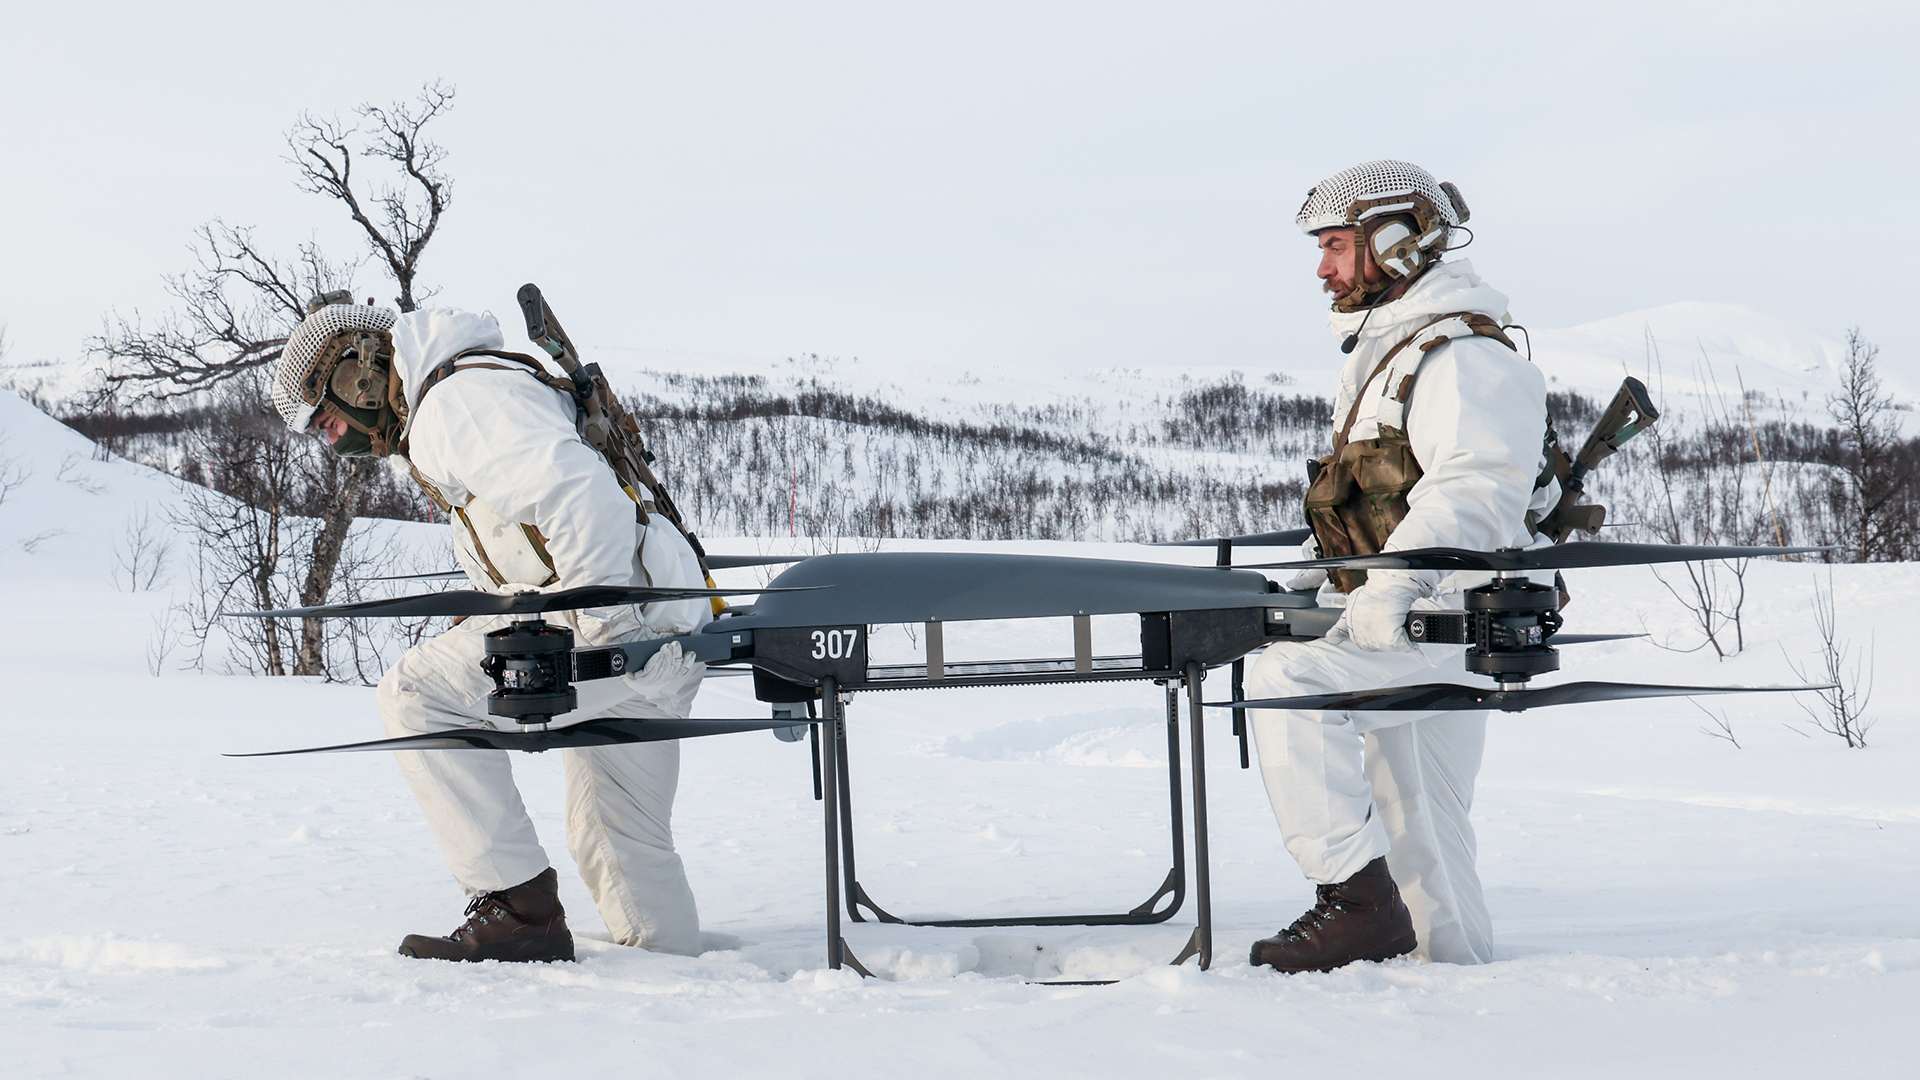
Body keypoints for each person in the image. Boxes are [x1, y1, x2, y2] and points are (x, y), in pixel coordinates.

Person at [271, 295, 710, 962]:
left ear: (355, 375)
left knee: (414, 695)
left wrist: (604, 630)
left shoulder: (456, 402)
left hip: (622, 627)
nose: (331, 440)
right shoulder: (470, 388)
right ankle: (683, 987)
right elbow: (533, 530)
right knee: (619, 845)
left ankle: (518, 909)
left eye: (324, 420)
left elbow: (578, 498)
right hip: (660, 631)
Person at [1245, 161, 1557, 973]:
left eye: (1337, 246)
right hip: (1407, 614)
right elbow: (1380, 493)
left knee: (1286, 685)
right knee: (1423, 829)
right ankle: (1458, 987)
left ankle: (1355, 902)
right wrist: (1321, 574)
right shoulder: (1394, 353)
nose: (1323, 268)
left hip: (1443, 616)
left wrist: (1393, 584)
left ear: (1395, 242)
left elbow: (1478, 485)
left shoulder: (1464, 357)